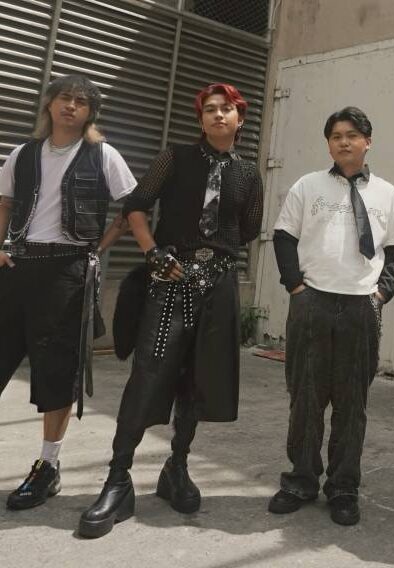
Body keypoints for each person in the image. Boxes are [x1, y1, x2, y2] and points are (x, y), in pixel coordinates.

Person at [78, 83, 264, 538]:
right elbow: (136, 206)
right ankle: (118, 479)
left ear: (239, 119)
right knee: (150, 372)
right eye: (209, 109)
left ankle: (176, 467)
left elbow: (248, 229)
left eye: (226, 109)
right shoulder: (174, 158)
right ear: (201, 119)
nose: (218, 115)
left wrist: (213, 257)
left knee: (200, 378)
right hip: (170, 279)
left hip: (218, 286)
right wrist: (154, 253)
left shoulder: (248, 173)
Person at [0, 74, 137, 510]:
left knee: (56, 372)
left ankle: (48, 465)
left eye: (81, 101)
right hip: (18, 266)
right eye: (64, 97)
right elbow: (4, 202)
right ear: (49, 104)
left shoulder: (103, 155)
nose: (71, 106)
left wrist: (98, 248)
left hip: (68, 272)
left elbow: (133, 205)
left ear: (90, 112)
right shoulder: (23, 154)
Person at [270, 106, 394, 526]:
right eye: (335, 136)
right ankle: (301, 480)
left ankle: (344, 487)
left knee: (352, 403)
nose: (344, 142)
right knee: (306, 398)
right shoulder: (308, 186)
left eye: (352, 135)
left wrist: (381, 294)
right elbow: (283, 237)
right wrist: (296, 288)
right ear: (328, 144)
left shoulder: (388, 194)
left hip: (360, 307)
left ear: (368, 141)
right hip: (312, 303)